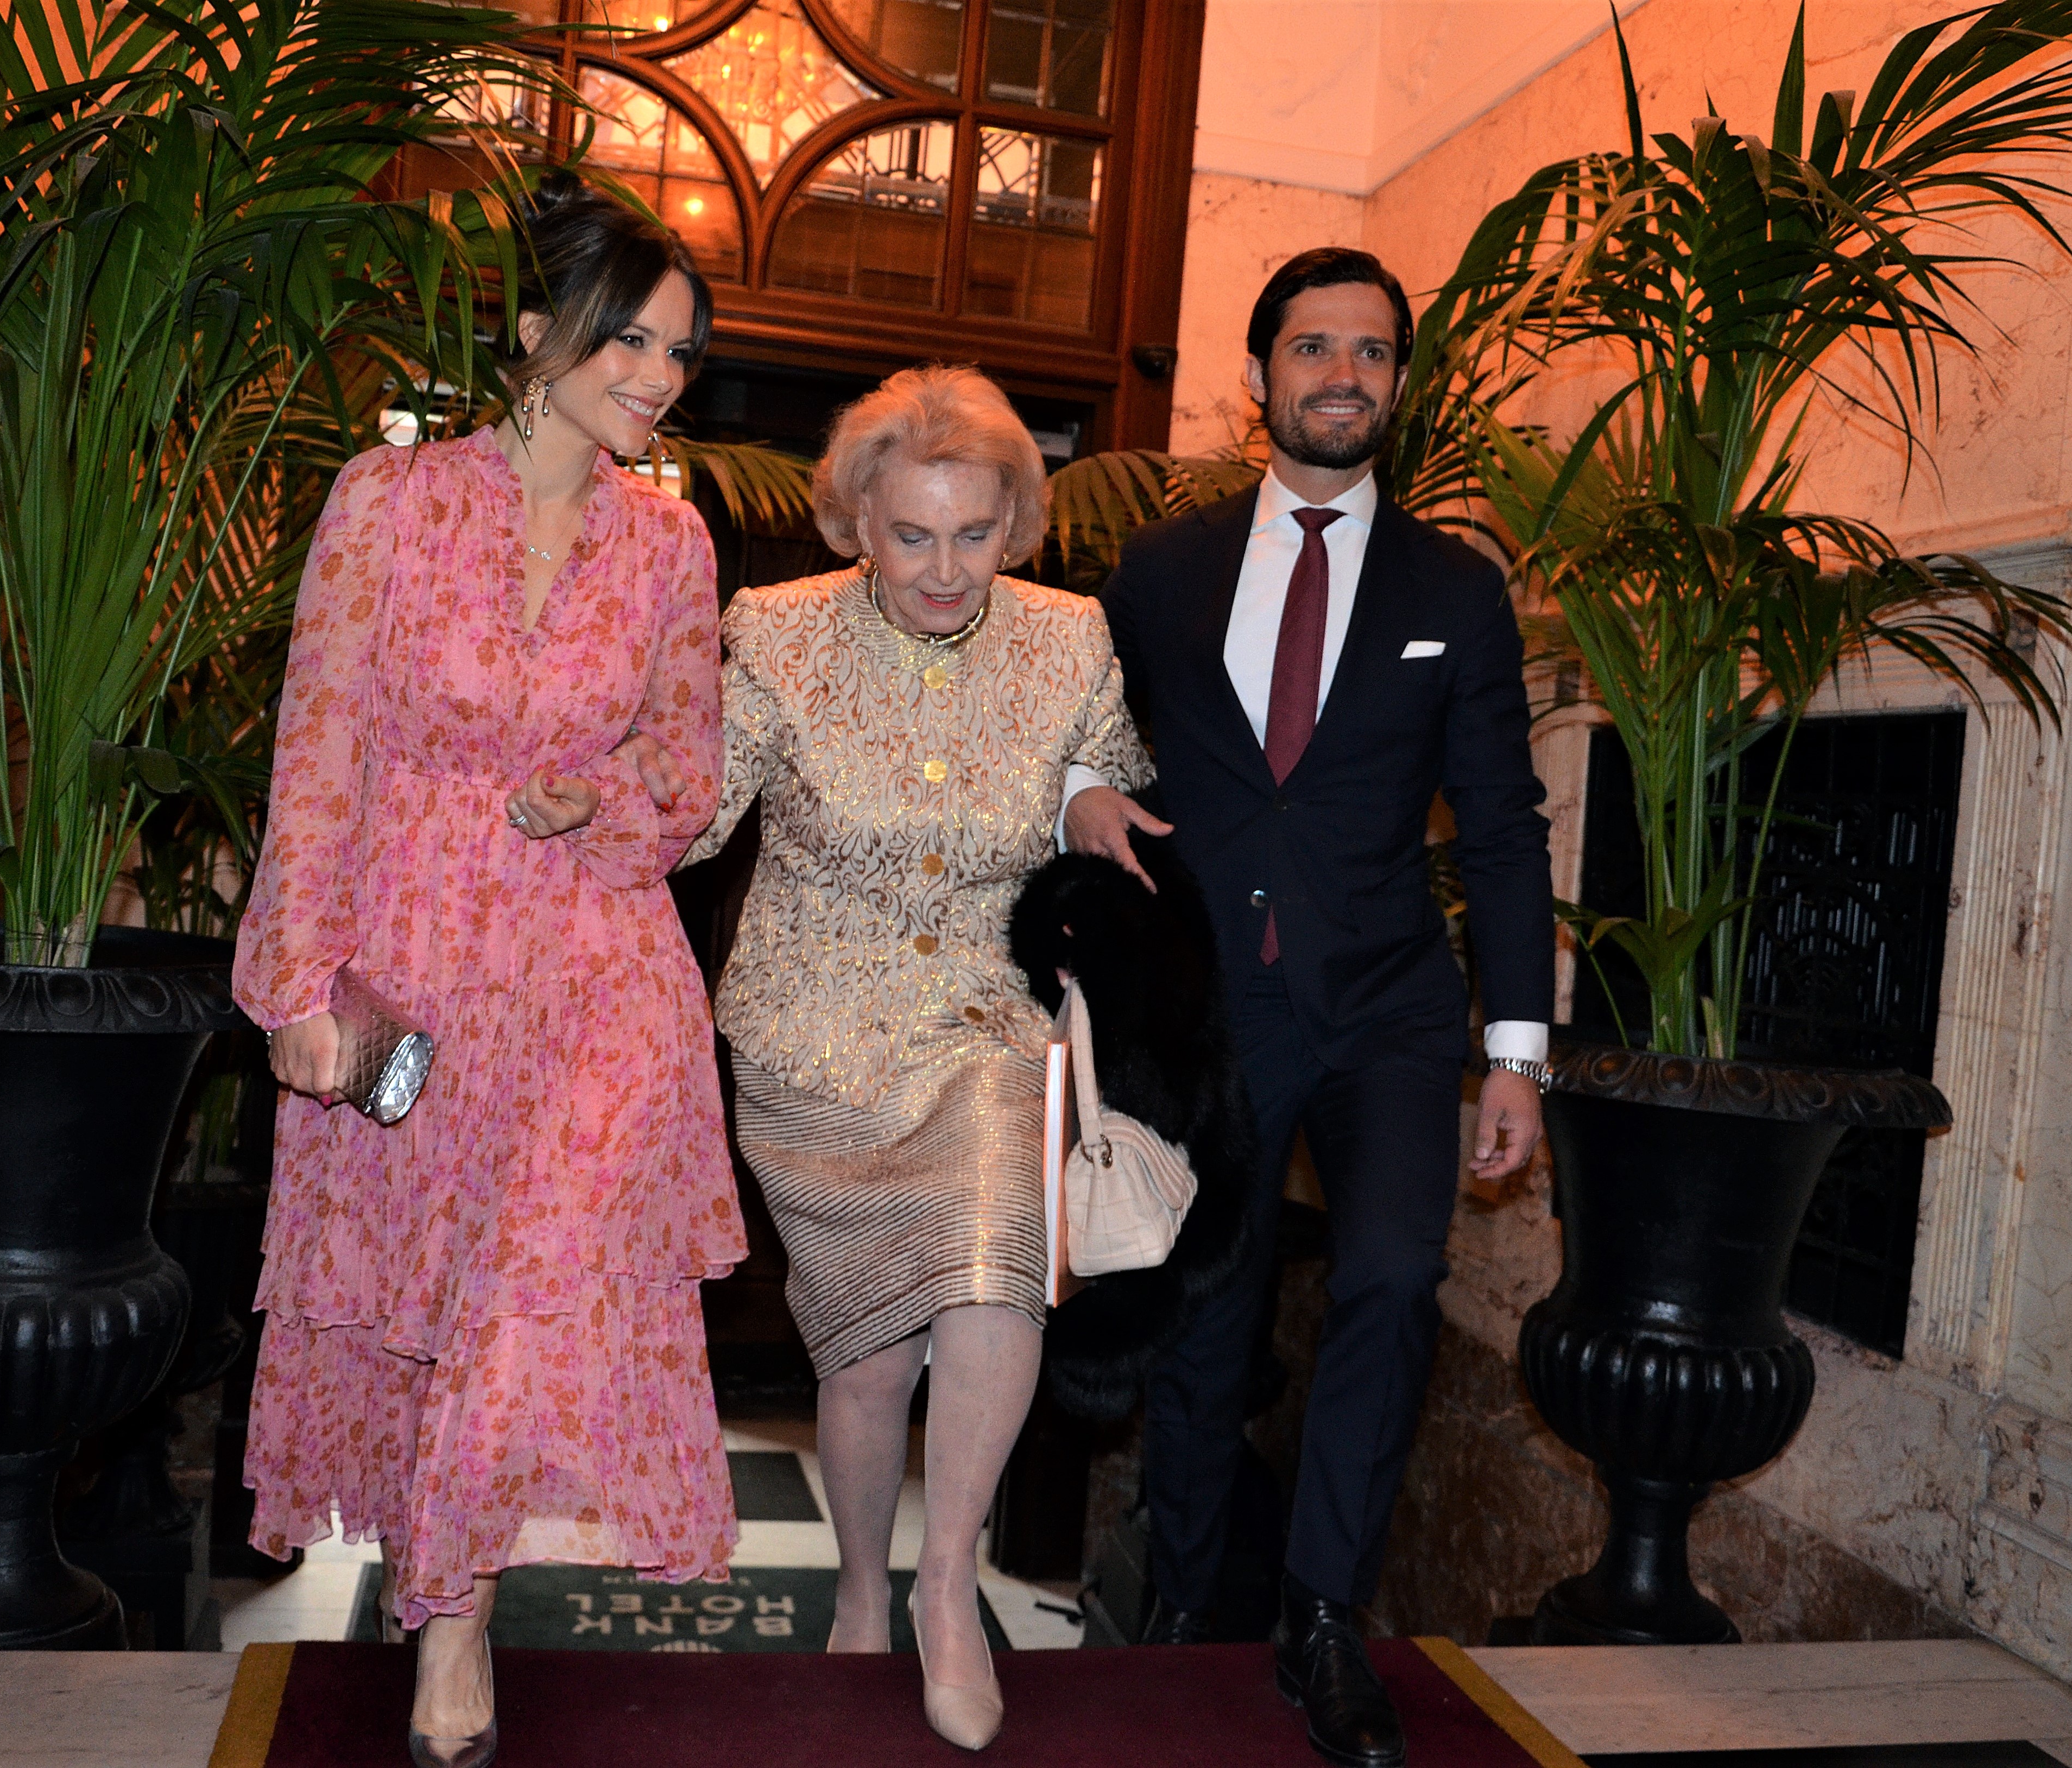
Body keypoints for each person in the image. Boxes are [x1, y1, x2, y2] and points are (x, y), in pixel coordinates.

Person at [230, 178, 744, 1768]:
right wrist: (296, 984)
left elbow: (690, 768)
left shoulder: (671, 545)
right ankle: (432, 1563)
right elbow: (319, 748)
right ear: (537, 333)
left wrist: (605, 796)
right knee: (433, 1295)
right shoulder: (386, 503)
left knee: (532, 1274)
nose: (657, 377)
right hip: (416, 954)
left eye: (680, 353)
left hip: (596, 968)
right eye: (630, 340)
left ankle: (452, 1616)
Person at [1067, 248, 1552, 1767]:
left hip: (1387, 1009)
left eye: (1372, 351)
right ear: (1259, 374)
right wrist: (1079, 791)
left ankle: (1324, 1616)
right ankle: (1178, 1606)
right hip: (1210, 1003)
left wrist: (1516, 1050)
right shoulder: (1161, 570)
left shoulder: (1454, 589)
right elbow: (1076, 724)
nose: (1344, 374)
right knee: (1204, 1315)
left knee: (1394, 1278)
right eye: (1313, 347)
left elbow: (1503, 824)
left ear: (1397, 379)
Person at [651, 364, 1151, 1751]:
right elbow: (694, 818)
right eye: (912, 534)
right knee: (869, 1360)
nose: (944, 568)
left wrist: (1089, 799)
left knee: (996, 1269)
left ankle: (945, 1587)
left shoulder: (1070, 637)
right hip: (809, 1035)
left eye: (974, 534)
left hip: (988, 1019)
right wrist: (602, 778)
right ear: (856, 522)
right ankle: (861, 1589)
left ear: (1015, 523)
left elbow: (1099, 768)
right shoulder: (773, 631)